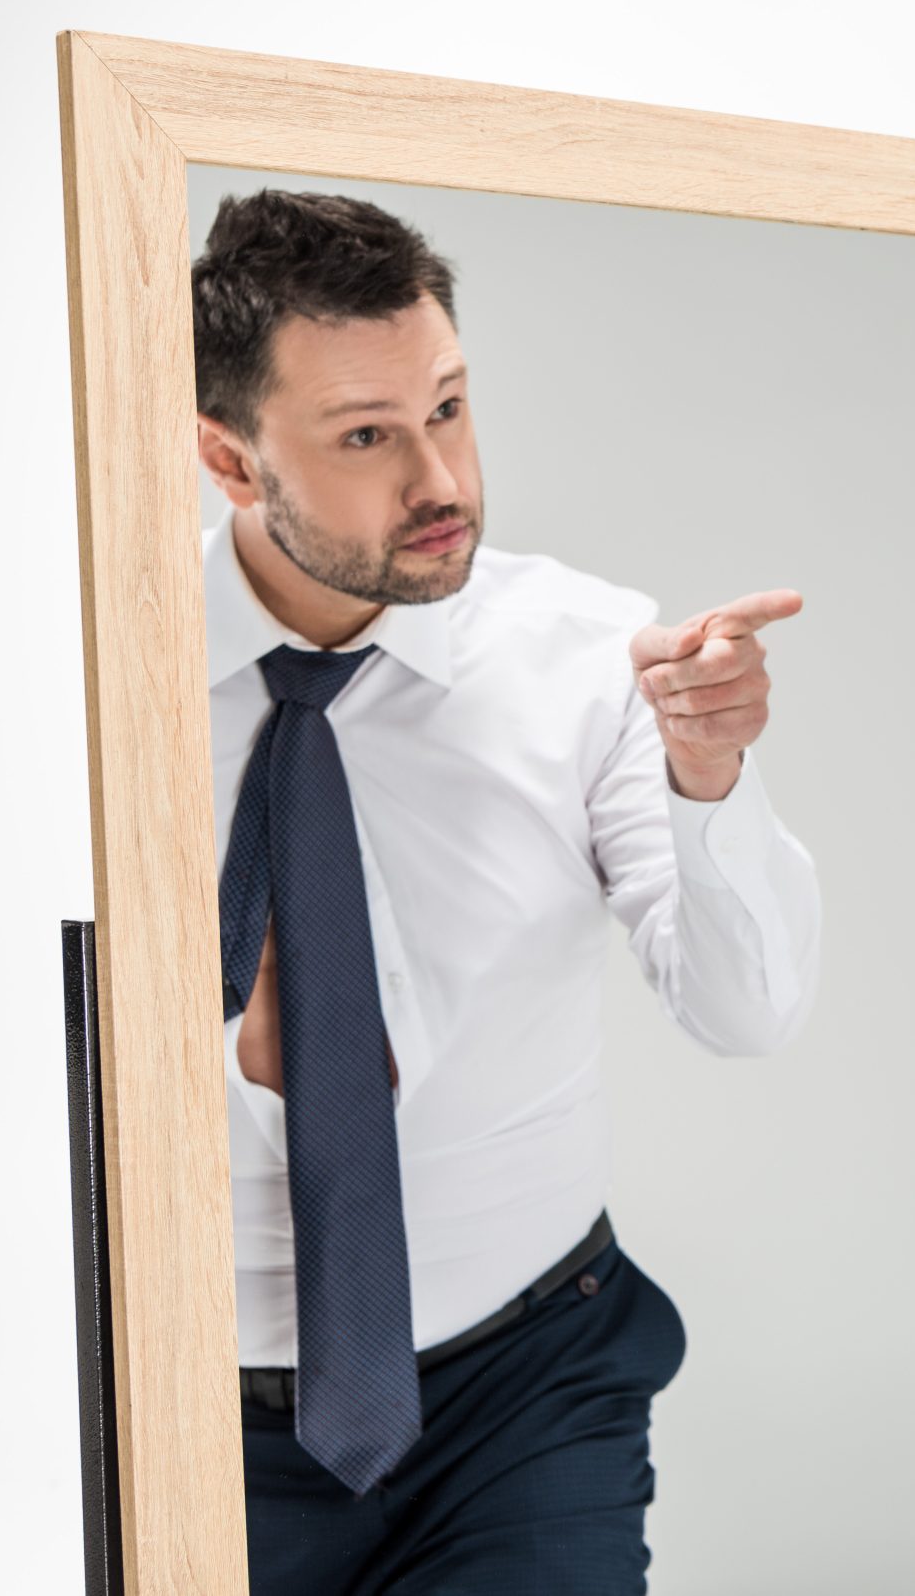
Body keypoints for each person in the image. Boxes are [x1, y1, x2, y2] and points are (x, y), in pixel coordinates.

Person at [193, 189, 823, 1593]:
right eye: (368, 436)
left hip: (524, 1393)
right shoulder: (115, 687)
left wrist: (708, 776)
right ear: (232, 460)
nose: (443, 480)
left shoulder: (588, 656)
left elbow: (747, 1010)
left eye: (453, 407)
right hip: (192, 1418)